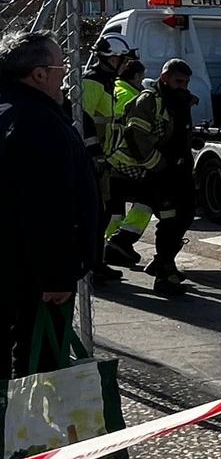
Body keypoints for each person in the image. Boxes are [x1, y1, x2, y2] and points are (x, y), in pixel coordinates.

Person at [0, 31, 99, 379]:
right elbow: (48, 205)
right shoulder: (38, 123)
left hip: (13, 265)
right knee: (37, 367)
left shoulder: (8, 111)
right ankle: (28, 432)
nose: (65, 75)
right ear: (39, 74)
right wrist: (57, 275)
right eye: (61, 66)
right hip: (32, 279)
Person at [109, 59, 197, 296]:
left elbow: (177, 131)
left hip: (178, 172)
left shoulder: (179, 101)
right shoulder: (149, 100)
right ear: (165, 77)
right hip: (160, 173)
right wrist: (158, 166)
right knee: (170, 221)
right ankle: (164, 276)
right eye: (179, 81)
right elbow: (135, 135)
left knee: (185, 215)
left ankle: (162, 263)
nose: (183, 86)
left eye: (186, 82)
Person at [81, 33, 138, 281]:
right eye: (121, 59)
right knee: (95, 214)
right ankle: (91, 266)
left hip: (104, 158)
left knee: (103, 214)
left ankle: (96, 263)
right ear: (109, 58)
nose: (124, 64)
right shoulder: (92, 82)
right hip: (90, 159)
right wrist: (95, 156)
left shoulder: (107, 82)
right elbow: (83, 121)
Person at [104, 58, 154, 265]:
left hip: (108, 159)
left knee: (114, 207)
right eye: (141, 77)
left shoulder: (113, 89)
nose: (142, 81)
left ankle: (108, 248)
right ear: (135, 76)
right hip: (125, 160)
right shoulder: (133, 97)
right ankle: (122, 241)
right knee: (149, 199)